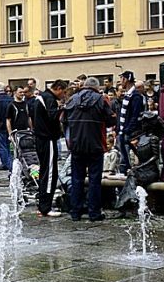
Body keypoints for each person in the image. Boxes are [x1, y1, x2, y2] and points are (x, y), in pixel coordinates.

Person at [63, 77, 115, 222]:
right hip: (95, 144)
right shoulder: (101, 100)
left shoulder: (72, 99)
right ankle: (94, 212)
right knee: (94, 180)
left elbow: (63, 120)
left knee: (76, 179)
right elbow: (111, 120)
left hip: (76, 145)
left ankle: (75, 212)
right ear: (97, 88)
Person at [33, 79, 66, 217]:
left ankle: (43, 204)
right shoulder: (50, 99)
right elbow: (53, 117)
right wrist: (62, 109)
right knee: (50, 173)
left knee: (44, 171)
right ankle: (45, 207)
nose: (63, 95)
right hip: (48, 139)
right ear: (58, 88)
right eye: (63, 92)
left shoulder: (40, 97)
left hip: (40, 139)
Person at [116, 71, 145, 174]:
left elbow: (135, 115)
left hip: (129, 132)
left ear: (126, 79)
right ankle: (125, 172)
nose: (120, 82)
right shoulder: (127, 95)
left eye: (121, 79)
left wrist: (127, 130)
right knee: (124, 156)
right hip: (122, 130)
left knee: (129, 157)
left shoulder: (136, 96)